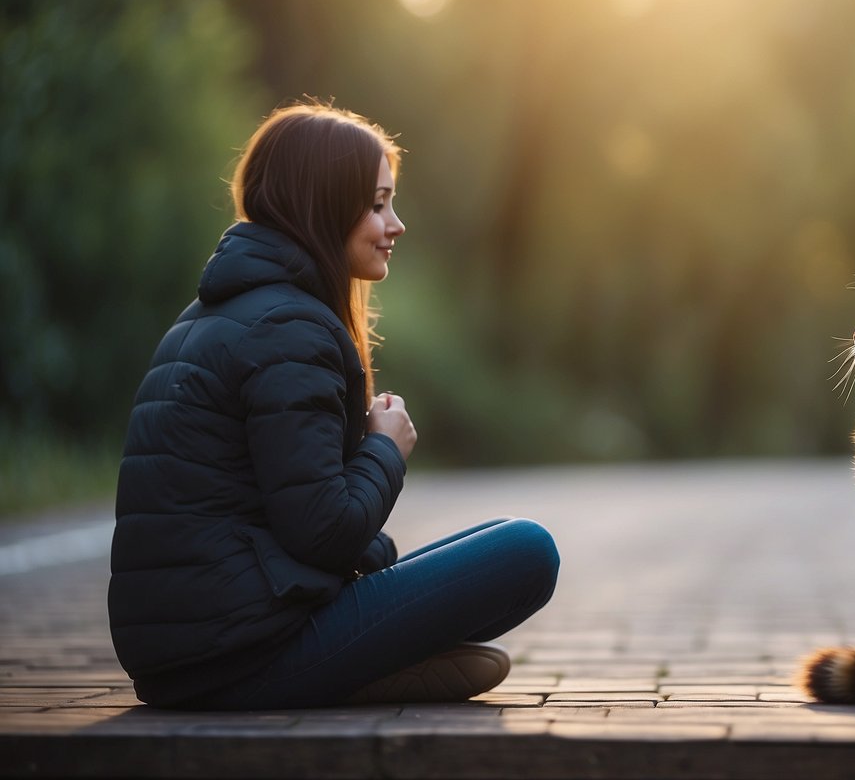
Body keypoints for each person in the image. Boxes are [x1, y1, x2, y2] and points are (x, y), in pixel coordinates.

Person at [107, 101, 559, 710]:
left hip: (187, 654)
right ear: (323, 206)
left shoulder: (213, 317)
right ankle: (356, 670)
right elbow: (324, 532)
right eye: (377, 204)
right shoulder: (290, 327)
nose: (395, 224)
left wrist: (374, 554)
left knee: (476, 540)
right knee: (526, 551)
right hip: (243, 657)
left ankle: (368, 663)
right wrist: (385, 449)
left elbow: (283, 516)